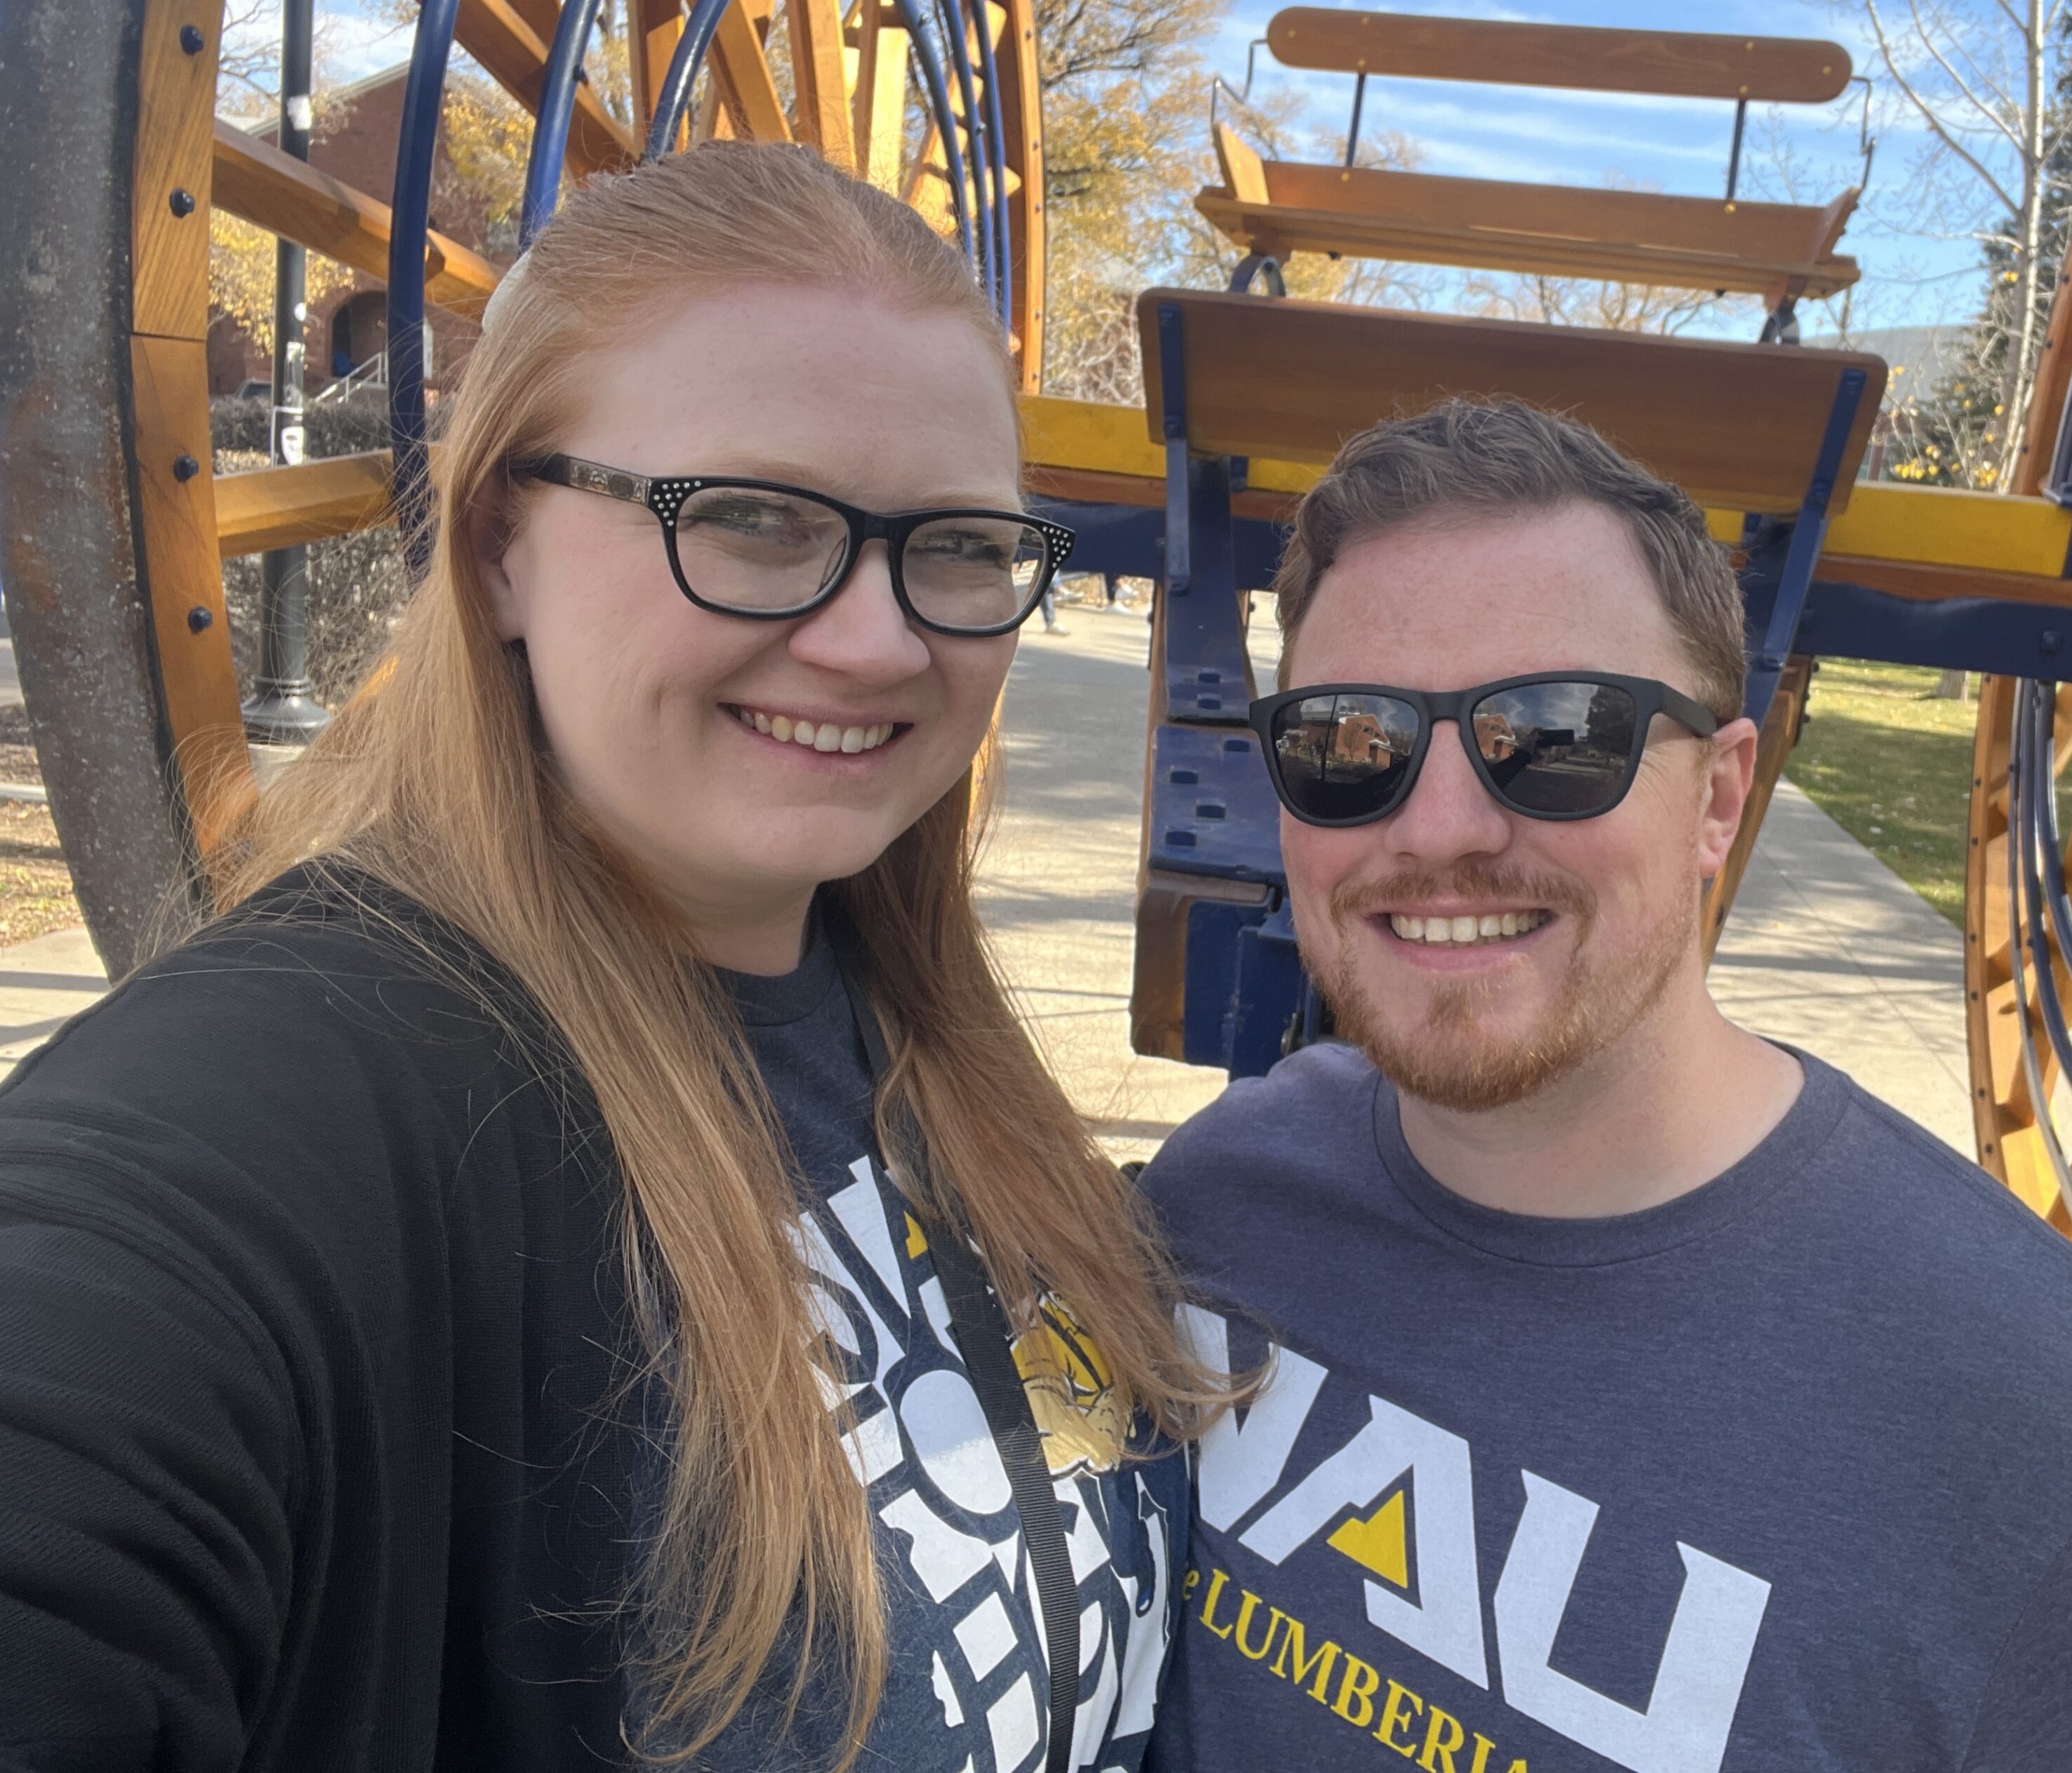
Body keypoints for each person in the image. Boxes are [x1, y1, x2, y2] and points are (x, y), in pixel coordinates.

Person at [0, 144, 1227, 1772]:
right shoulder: (299, 1094)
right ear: (502, 541)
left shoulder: (923, 1031)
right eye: (753, 519)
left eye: (959, 547)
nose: (877, 642)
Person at [1138, 401, 2072, 1772]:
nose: (1437, 829)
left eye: (1560, 735)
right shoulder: (1214, 1206)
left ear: (1720, 796)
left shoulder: (2052, 1453)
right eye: (1350, 743)